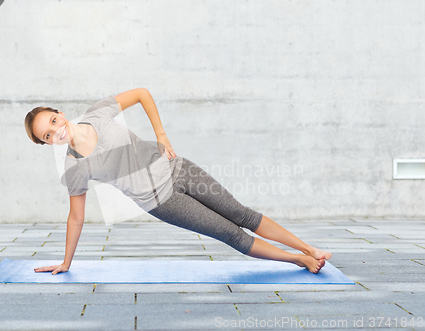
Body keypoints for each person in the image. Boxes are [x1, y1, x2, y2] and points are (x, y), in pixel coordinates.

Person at [24, 88, 331, 275]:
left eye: (52, 122)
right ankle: (298, 260)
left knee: (242, 214)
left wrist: (160, 134)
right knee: (231, 234)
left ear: (60, 113)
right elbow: (75, 217)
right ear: (46, 144)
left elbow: (142, 93)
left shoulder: (98, 113)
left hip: (179, 168)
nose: (56, 131)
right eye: (47, 135)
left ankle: (310, 249)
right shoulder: (74, 167)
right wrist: (66, 262)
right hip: (162, 202)